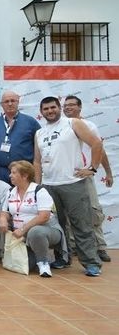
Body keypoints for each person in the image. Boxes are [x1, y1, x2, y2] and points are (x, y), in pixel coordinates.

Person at [34, 96, 104, 276]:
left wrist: (92, 169)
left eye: (52, 107)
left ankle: (91, 262)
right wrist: (38, 185)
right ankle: (62, 258)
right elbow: (37, 160)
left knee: (81, 224)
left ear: (59, 108)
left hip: (73, 183)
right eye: (46, 109)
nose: (50, 111)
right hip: (49, 186)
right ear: (41, 113)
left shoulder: (73, 123)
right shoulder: (40, 133)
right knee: (57, 225)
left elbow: (96, 143)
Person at [63, 95, 113, 262]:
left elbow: (99, 149)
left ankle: (100, 247)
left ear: (80, 107)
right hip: (67, 177)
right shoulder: (60, 127)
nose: (68, 108)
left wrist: (106, 171)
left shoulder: (89, 125)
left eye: (72, 105)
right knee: (69, 214)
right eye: (66, 105)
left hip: (84, 175)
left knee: (93, 211)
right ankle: (74, 246)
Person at [0, 161, 68, 277]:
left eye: (14, 173)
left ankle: (43, 263)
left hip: (47, 230)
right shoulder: (11, 192)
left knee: (36, 231)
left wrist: (23, 229)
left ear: (25, 176)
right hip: (20, 233)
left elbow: (44, 216)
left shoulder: (39, 191)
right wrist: (3, 219)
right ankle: (8, 255)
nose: (10, 175)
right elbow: (5, 212)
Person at [0, 91, 41, 183]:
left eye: (13, 101)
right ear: (1, 104)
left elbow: (39, 146)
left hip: (24, 172)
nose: (10, 104)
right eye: (6, 101)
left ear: (18, 102)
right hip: (2, 173)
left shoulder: (30, 122)